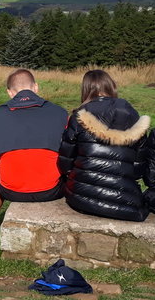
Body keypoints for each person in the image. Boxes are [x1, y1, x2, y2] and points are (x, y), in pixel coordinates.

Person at [0, 69, 68, 242]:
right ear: (35, 88)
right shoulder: (60, 113)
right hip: (52, 190)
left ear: (10, 92)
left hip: (11, 191)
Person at [58, 69, 149, 222]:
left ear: (86, 89)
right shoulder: (134, 116)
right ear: (111, 86)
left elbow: (65, 161)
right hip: (125, 201)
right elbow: (138, 168)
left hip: (82, 197)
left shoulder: (79, 116)